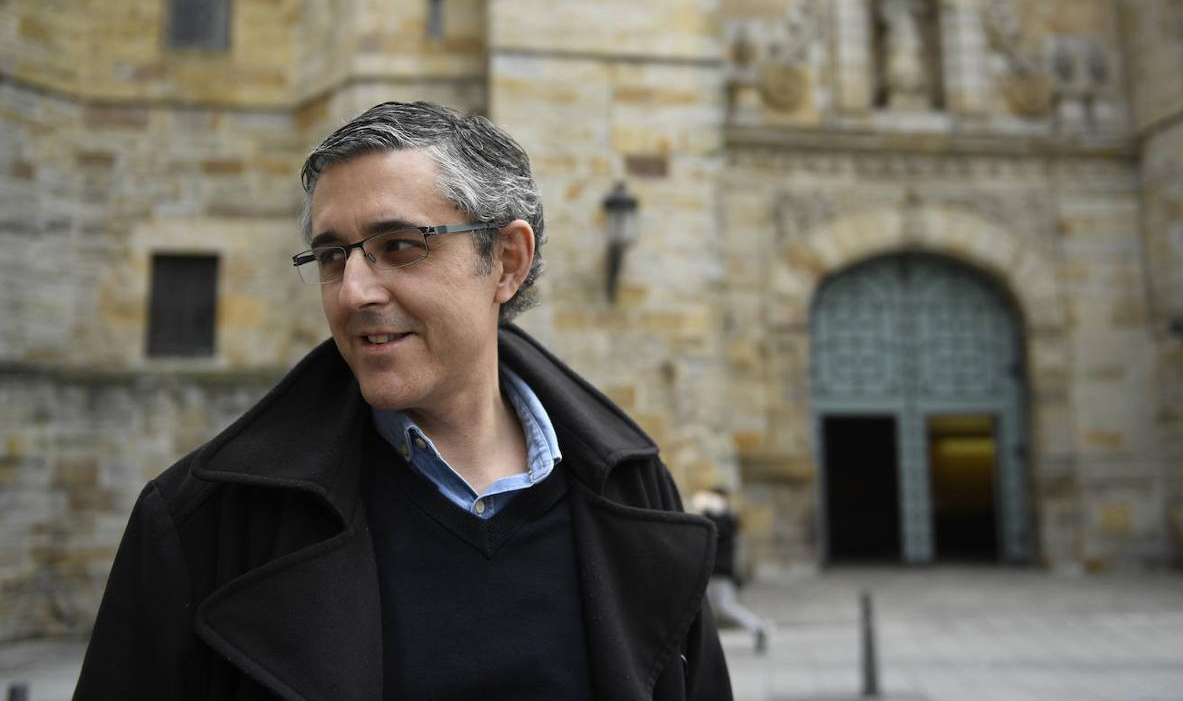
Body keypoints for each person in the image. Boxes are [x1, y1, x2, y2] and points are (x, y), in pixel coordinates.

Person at [74, 101, 732, 700]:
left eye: (398, 247)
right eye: (332, 256)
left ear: (506, 261)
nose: (354, 290)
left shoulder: (633, 491)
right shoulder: (204, 523)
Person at [691, 487, 769, 655]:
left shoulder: (726, 519)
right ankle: (705, 644)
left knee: (722, 607)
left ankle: (757, 627)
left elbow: (717, 530)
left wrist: (706, 511)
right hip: (715, 570)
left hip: (719, 571)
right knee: (708, 608)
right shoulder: (721, 517)